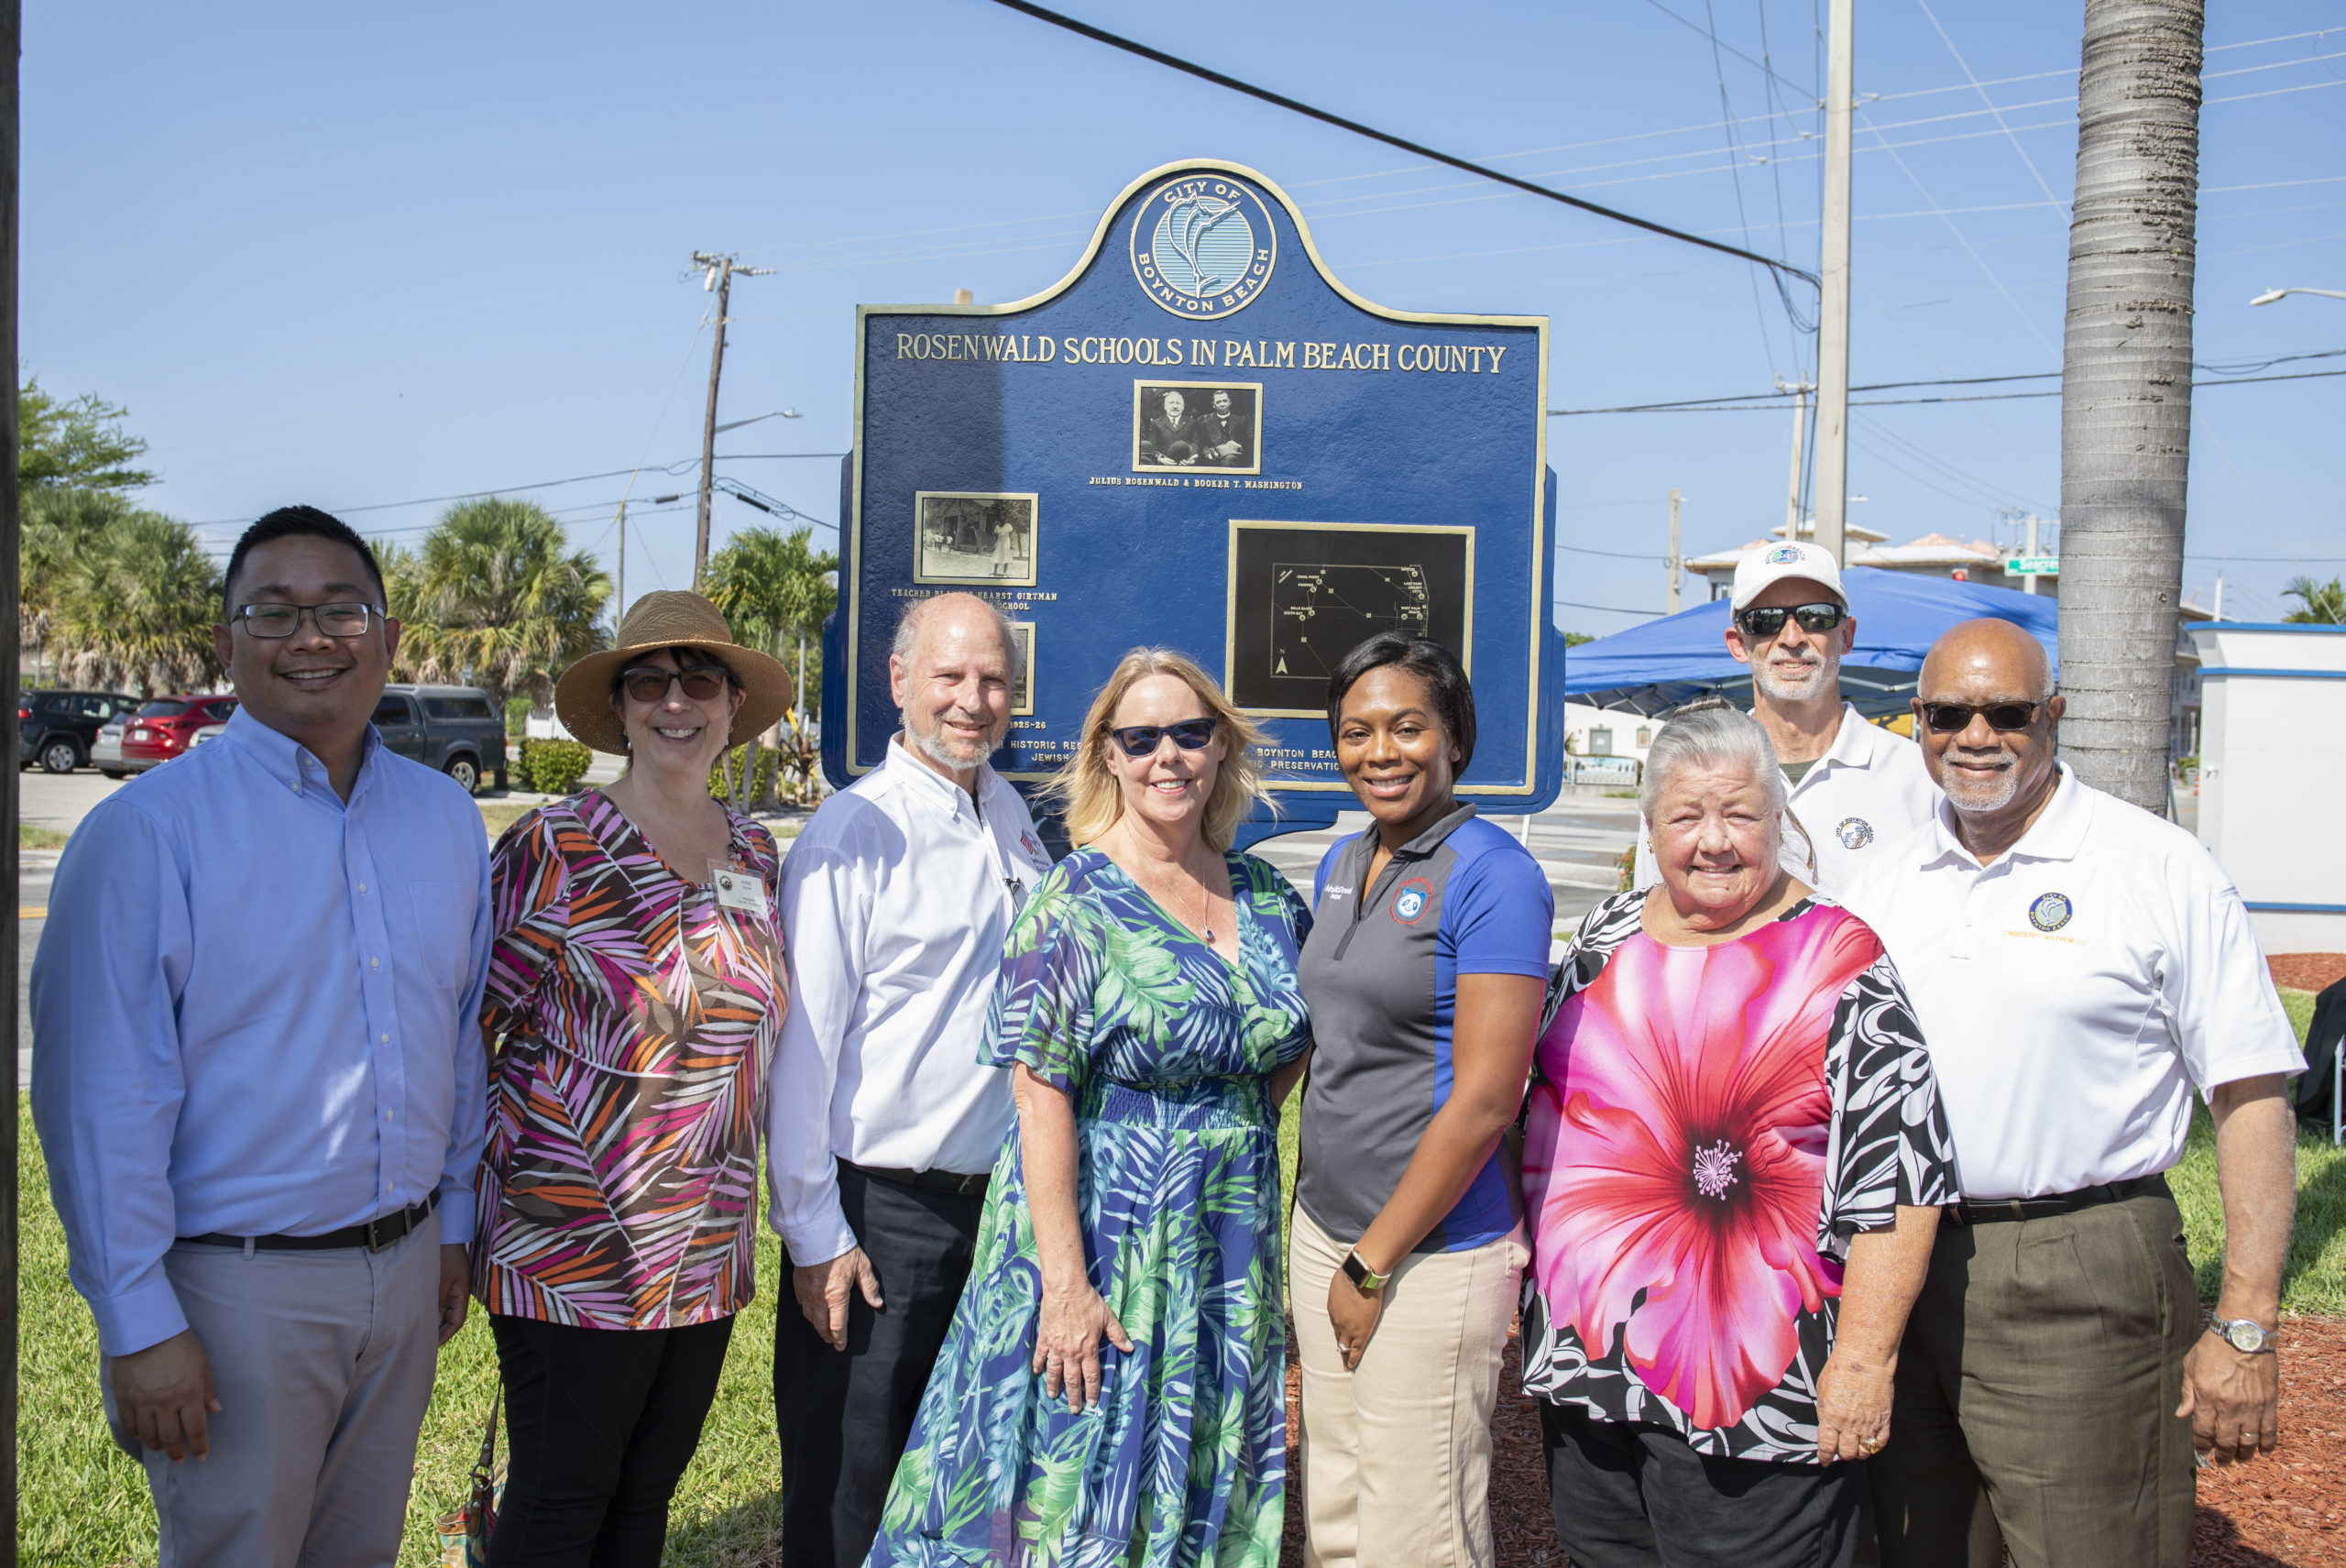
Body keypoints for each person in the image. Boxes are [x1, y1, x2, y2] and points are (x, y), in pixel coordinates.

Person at [30, 505, 489, 1566]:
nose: (312, 636)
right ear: (228, 640)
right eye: (273, 611)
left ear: (387, 634)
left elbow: (457, 1038)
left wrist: (454, 1220)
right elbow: (99, 1099)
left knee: (358, 1550)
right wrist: (139, 1322)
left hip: (408, 1268)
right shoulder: (148, 833)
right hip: (235, 1296)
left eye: (342, 609)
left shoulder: (441, 818)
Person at [1842, 620, 2306, 1568]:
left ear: (2053, 715)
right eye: (1947, 714)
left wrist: (2247, 1320)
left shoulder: (2155, 869)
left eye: (2006, 712)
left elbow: (2250, 1091)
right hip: (1896, 1265)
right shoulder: (1875, 882)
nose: (1976, 735)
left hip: (2078, 1267)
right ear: (1916, 723)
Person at [865, 647, 1313, 1566]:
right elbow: (1039, 1095)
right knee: (1071, 1483)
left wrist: (1215, 1128)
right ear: (1106, 755)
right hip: (1100, 1241)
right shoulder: (1074, 901)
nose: (1168, 756)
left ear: (1222, 745)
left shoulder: (1268, 899)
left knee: (1194, 1470)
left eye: (1190, 733)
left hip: (1223, 1249)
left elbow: (1286, 1043)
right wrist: (1066, 1287)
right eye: (1140, 737)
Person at [1521, 703, 1956, 1568]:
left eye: (1740, 814)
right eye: (1686, 816)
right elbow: (1543, 1109)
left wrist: (1865, 1361)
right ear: (1651, 827)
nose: (1713, 841)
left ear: (1780, 821)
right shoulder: (1605, 938)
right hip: (1588, 1369)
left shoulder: (1838, 958)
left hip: (1761, 1392)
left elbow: (1902, 1180)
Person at [472, 591, 794, 1564]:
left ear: (734, 702)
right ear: (619, 708)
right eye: (647, 681)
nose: (674, 701)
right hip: (572, 1244)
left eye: (699, 679)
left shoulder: (756, 852)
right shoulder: (555, 846)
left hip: (706, 1251)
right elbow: (472, 1028)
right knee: (561, 1502)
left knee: (644, 1500)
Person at [769, 593, 1056, 1568]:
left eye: (992, 680)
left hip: (998, 1214)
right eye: (950, 676)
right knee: (849, 1489)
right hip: (880, 1221)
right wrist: (816, 1237)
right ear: (899, 682)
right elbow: (803, 1050)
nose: (972, 700)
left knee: (961, 1485)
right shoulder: (853, 833)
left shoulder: (1010, 814)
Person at [1290, 632, 1554, 1568]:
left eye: (1407, 727)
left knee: (1418, 1532)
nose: (1381, 751)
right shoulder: (1339, 860)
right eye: (1355, 732)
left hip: (1424, 1253)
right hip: (1325, 1226)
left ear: (1454, 739)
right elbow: (1328, 1040)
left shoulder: (1494, 873)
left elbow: (1486, 1099)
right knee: (1337, 1510)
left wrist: (1371, 1264)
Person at [1634, 542, 1936, 894]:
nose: (1792, 638)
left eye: (1816, 617)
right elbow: (1649, 913)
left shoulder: (1919, 776)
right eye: (1765, 621)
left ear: (1847, 634)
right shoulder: (1683, 774)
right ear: (1737, 643)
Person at [1140, 389, 1198, 466]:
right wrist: (1161, 459)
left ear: (1183, 406)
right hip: (1164, 465)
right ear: (1165, 406)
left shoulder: (1192, 422)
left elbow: (1196, 444)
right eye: (1171, 403)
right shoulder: (1156, 423)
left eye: (1178, 403)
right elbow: (1153, 447)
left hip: (1186, 463)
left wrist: (1192, 459)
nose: (1174, 406)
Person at [1195, 389, 1248, 466]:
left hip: (1235, 459)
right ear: (1214, 405)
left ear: (1230, 402)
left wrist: (1239, 446)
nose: (1222, 404)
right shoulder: (1205, 423)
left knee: (1229, 459)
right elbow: (1202, 444)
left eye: (1225, 401)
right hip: (1214, 460)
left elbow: (1247, 441)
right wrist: (1208, 454)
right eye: (1218, 402)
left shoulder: (1241, 421)